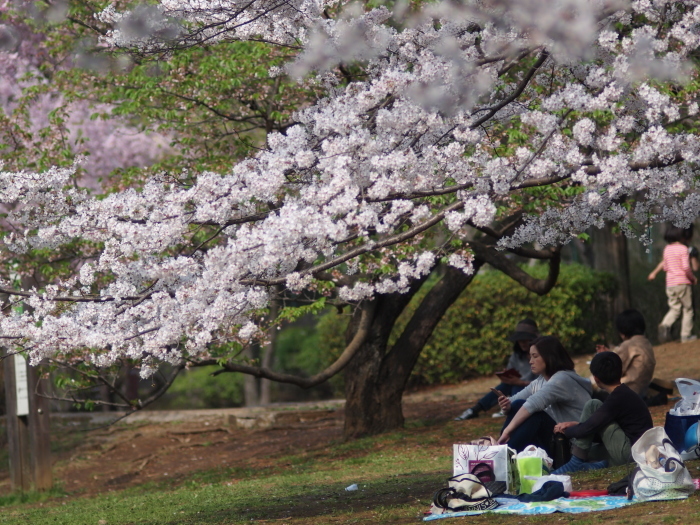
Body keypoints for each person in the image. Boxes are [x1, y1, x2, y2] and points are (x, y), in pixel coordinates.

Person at [551, 351, 654, 474]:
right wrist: (576, 425)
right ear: (620, 372)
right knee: (590, 449)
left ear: (596, 379)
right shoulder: (624, 394)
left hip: (632, 454)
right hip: (635, 452)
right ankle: (600, 465)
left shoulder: (617, 398)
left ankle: (575, 464)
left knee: (593, 405)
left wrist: (565, 432)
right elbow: (596, 428)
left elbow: (588, 428)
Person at [496, 336, 591, 454]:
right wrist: (506, 406)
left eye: (535, 356)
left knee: (536, 416)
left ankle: (504, 454)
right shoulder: (541, 380)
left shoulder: (562, 379)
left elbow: (532, 404)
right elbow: (515, 401)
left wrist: (507, 431)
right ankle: (502, 451)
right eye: (530, 356)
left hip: (572, 444)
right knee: (517, 405)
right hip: (556, 438)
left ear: (549, 357)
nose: (530, 361)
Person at [455, 319, 539, 421]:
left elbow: (546, 383)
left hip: (533, 391)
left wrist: (521, 382)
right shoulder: (516, 356)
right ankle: (475, 409)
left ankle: (511, 407)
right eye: (520, 340)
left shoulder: (541, 356)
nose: (522, 343)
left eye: (526, 340)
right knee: (505, 385)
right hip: (516, 388)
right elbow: (511, 374)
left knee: (514, 385)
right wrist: (506, 376)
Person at [648, 225, 698, 343]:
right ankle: (686, 336)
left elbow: (665, 266)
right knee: (688, 309)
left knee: (675, 308)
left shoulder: (667, 249)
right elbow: (686, 267)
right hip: (682, 283)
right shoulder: (683, 249)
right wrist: (692, 278)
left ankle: (665, 324)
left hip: (670, 284)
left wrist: (654, 273)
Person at [594, 309, 655, 398]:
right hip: (641, 391)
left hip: (626, 391)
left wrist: (604, 358)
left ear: (622, 331)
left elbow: (610, 372)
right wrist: (609, 355)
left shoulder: (628, 345)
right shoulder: (646, 343)